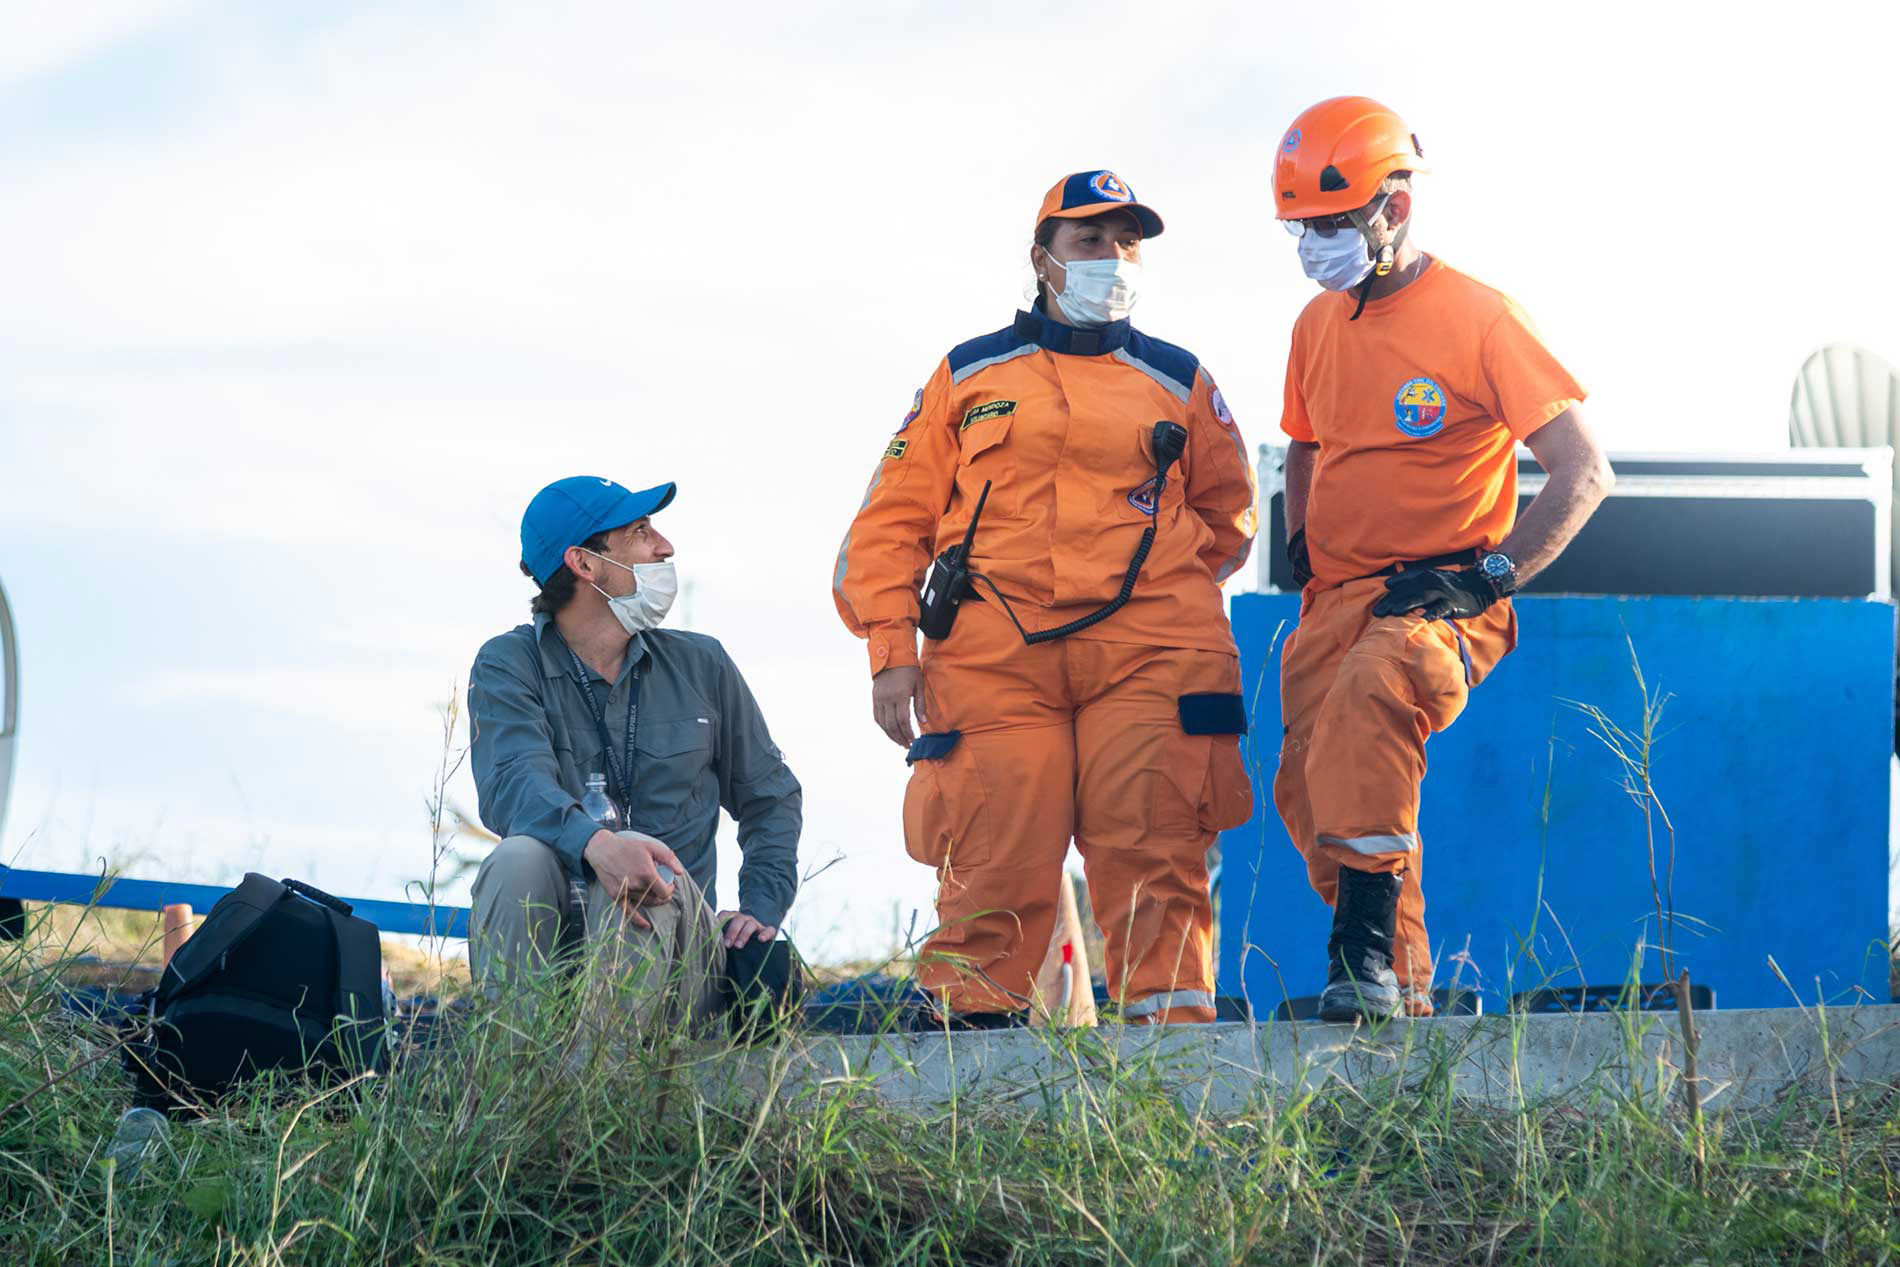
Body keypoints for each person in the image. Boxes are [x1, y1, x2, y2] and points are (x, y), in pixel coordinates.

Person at [833, 171, 1258, 1025]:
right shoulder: (967, 373)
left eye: (1127, 243)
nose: (1112, 258)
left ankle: (1175, 1064)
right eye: (1089, 240)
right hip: (994, 662)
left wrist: (1158, 597)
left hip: (1152, 659)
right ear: (1042, 259)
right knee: (993, 860)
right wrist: (890, 652)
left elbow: (1229, 519)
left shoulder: (1180, 380)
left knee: (1156, 852)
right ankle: (968, 1055)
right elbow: (889, 524)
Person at [1270, 97, 1614, 1022]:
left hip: (1443, 591)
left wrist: (1488, 579)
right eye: (1304, 228)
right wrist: (1301, 537)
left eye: (1335, 223)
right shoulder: (1315, 326)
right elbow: (1304, 440)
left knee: (1371, 698)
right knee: (1310, 783)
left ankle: (1360, 956)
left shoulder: (1480, 316)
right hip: (1336, 596)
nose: (1317, 245)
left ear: (1396, 208)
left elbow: (1585, 471)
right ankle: (1398, 982)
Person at [468, 476, 803, 1034]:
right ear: (584, 563)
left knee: (645, 873)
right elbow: (513, 787)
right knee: (516, 859)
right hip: (559, 941)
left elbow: (771, 798)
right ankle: (511, 1070)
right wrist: (598, 846)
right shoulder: (508, 663)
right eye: (641, 532)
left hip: (679, 949)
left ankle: (609, 1081)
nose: (665, 547)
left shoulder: (703, 664)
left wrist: (759, 910)